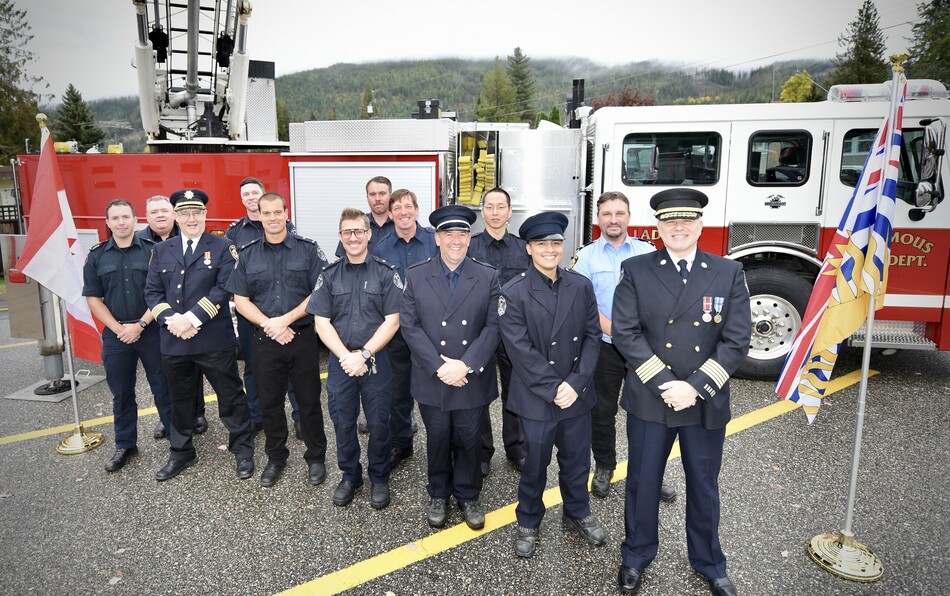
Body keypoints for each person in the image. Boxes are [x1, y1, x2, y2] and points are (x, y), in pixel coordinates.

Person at [612, 188, 750, 596]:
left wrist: (695, 387)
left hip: (703, 399)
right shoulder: (636, 269)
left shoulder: (728, 272)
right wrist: (665, 384)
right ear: (658, 227)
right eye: (670, 221)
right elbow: (626, 332)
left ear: (700, 225)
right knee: (642, 481)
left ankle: (709, 561)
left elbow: (736, 340)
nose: (678, 227)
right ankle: (635, 556)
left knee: (704, 485)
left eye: (687, 221)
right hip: (652, 397)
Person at [498, 211, 606, 559]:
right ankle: (528, 519)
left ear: (563, 247)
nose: (549, 249)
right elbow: (519, 349)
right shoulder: (513, 292)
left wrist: (575, 384)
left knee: (576, 461)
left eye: (555, 243)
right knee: (535, 463)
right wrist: (555, 387)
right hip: (537, 396)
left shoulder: (581, 285)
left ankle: (578, 511)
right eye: (542, 244)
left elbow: (592, 337)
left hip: (576, 393)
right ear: (528, 249)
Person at [570, 191, 676, 502]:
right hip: (605, 345)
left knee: (649, 413)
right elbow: (583, 303)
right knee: (601, 411)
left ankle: (650, 473)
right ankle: (604, 466)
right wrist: (618, 333)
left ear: (629, 216)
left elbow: (662, 300)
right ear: (598, 219)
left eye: (619, 213)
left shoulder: (649, 252)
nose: (613, 219)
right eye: (607, 214)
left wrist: (636, 339)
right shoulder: (586, 256)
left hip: (644, 349)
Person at [399, 205, 500, 530]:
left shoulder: (487, 275)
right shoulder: (416, 275)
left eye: (462, 234)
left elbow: (493, 327)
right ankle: (439, 493)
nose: (456, 240)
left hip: (470, 376)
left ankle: (469, 494)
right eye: (449, 234)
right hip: (435, 376)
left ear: (469, 239)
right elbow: (410, 326)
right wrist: (439, 366)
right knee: (438, 437)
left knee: (470, 438)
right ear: (437, 239)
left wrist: (466, 365)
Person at [144, 188, 255, 482]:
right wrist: (173, 321)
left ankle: (242, 448)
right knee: (179, 399)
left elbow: (225, 288)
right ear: (176, 217)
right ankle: (181, 452)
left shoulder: (222, 246)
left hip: (212, 339)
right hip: (174, 340)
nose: (191, 218)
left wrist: (192, 318)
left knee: (230, 397)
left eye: (197, 212)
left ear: (205, 214)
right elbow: (152, 292)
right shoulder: (160, 251)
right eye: (184, 213)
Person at [226, 192, 329, 488]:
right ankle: (276, 458)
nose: (272, 218)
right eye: (266, 213)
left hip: (301, 336)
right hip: (265, 339)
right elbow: (240, 299)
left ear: (286, 212)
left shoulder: (308, 250)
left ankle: (316, 458)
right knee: (270, 403)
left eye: (277, 212)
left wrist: (286, 320)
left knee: (309, 402)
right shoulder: (247, 253)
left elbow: (319, 293)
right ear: (258, 215)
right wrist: (269, 324)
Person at [309, 208, 401, 509]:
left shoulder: (387, 273)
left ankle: (378, 477)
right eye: (347, 232)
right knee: (343, 422)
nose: (353, 237)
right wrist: (346, 357)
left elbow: (393, 320)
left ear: (369, 234)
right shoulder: (329, 276)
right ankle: (350, 475)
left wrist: (364, 354)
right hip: (341, 361)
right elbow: (321, 322)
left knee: (378, 422)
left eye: (359, 231)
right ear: (340, 236)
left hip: (376, 360)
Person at [82, 198, 171, 472]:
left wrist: (141, 325)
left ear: (135, 221)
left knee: (163, 388)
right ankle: (125, 445)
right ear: (107, 223)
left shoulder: (154, 251)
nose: (121, 223)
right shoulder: (96, 256)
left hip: (152, 329)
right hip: (116, 335)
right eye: (115, 218)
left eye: (126, 217)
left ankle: (178, 443)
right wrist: (119, 329)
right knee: (121, 393)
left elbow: (163, 293)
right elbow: (94, 298)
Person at [226, 176, 305, 437]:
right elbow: (235, 277)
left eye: (254, 192)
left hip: (289, 319)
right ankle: (257, 416)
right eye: (246, 194)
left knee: (294, 371)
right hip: (254, 319)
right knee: (252, 368)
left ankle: (299, 418)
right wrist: (266, 322)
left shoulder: (286, 226)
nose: (250, 197)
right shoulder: (235, 232)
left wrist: (283, 322)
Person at [371, 188, 438, 469]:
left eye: (408, 206)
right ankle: (402, 443)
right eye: (396, 208)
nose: (403, 212)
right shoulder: (381, 248)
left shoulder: (435, 242)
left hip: (432, 332)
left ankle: (441, 445)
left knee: (437, 393)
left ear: (417, 209)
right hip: (396, 334)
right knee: (398, 393)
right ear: (389, 214)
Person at [468, 187, 529, 477]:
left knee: (515, 391)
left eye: (500, 207)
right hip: (479, 331)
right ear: (483, 211)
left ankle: (516, 447)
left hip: (514, 332)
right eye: (489, 207)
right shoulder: (470, 247)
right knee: (479, 392)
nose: (495, 213)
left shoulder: (523, 248)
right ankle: (481, 451)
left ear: (509, 211)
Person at [135, 194, 205, 440]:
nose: (160, 215)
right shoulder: (137, 243)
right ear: (146, 216)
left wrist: (187, 320)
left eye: (164, 210)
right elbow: (150, 289)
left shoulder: (188, 234)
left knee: (193, 369)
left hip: (190, 321)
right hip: (160, 320)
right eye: (154, 212)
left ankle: (197, 413)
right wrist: (166, 318)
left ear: (172, 213)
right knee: (164, 375)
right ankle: (168, 418)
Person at [334, 176, 396, 258]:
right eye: (372, 194)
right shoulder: (356, 224)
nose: (377, 199)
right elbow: (342, 262)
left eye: (382, 193)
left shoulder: (400, 225)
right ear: (367, 197)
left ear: (390, 196)